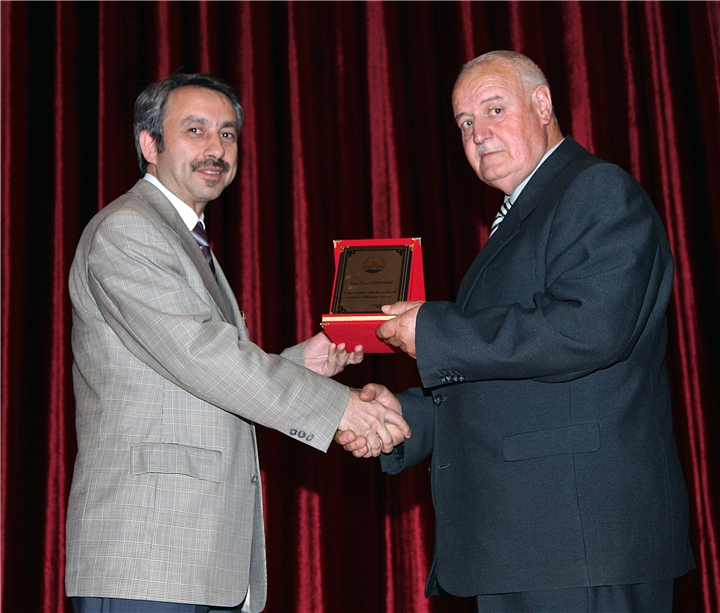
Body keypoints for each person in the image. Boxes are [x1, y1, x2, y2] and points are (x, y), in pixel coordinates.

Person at [337, 50, 694, 612]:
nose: (478, 133)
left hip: (579, 542)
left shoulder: (595, 189)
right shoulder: (525, 214)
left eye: (494, 109)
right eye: (464, 123)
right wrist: (407, 417)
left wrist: (434, 331)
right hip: (532, 542)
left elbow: (588, 329)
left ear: (543, 104)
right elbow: (514, 378)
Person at [65, 72, 410, 613]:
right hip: (147, 559)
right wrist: (340, 408)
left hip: (193, 561)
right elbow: (202, 354)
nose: (216, 148)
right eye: (196, 130)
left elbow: (194, 372)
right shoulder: (129, 230)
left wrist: (301, 362)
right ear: (149, 144)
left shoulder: (182, 236)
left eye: (227, 133)